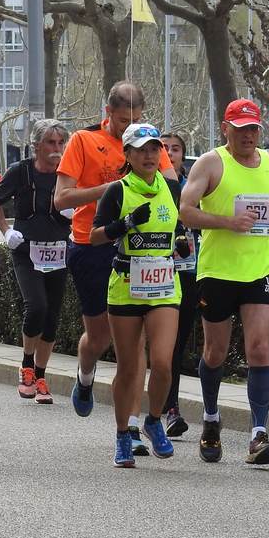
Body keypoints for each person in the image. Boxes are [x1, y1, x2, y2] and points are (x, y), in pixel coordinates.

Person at [54, 81, 174, 455]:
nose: (129, 127)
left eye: (136, 119)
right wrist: (112, 190)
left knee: (137, 345)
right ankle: (85, 374)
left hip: (141, 250)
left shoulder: (145, 146)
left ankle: (133, 427)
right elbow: (61, 199)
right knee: (100, 338)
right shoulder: (83, 142)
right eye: (123, 120)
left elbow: (169, 184)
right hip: (93, 244)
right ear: (108, 114)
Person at [179, 99, 269, 466]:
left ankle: (258, 434)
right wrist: (227, 221)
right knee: (215, 352)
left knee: (259, 349)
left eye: (253, 128)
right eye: (241, 127)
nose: (248, 134)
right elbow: (186, 210)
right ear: (224, 128)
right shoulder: (211, 163)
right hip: (217, 272)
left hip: (259, 270)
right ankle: (211, 419)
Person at [91, 123, 186, 467]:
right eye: (142, 149)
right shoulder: (116, 191)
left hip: (163, 284)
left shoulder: (172, 187)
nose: (149, 155)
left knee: (162, 362)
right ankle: (121, 436)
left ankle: (153, 420)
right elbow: (94, 236)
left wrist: (180, 241)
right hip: (127, 283)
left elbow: (176, 227)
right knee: (130, 368)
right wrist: (125, 224)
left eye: (154, 149)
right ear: (128, 155)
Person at [0, 118, 72, 404]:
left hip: (59, 249)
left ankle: (41, 376)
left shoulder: (68, 173)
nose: (57, 148)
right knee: (36, 306)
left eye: (61, 143)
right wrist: (6, 230)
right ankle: (26, 365)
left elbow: (86, 201)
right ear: (36, 145)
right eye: (50, 142)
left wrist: (78, 212)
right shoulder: (21, 171)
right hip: (27, 251)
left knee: (51, 317)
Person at [159, 131, 197, 438]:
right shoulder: (145, 185)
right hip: (152, 275)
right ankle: (157, 408)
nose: (169, 153)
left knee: (176, 343)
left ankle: (169, 408)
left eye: (175, 149)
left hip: (187, 273)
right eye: (163, 148)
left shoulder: (193, 186)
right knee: (158, 346)